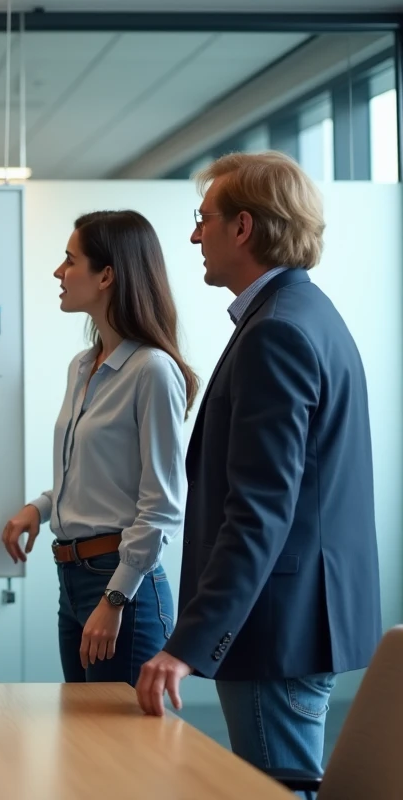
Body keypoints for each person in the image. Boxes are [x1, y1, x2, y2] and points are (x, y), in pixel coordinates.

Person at [137, 152, 382, 782]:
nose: (194, 235)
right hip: (292, 616)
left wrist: (186, 645)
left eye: (204, 218)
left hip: (273, 626)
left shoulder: (277, 331)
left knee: (272, 788)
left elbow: (259, 513)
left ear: (243, 228)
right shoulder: (304, 314)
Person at [3, 210, 197, 687]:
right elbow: (91, 474)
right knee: (82, 743)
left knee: (123, 753)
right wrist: (41, 506)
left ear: (107, 275)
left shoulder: (151, 370)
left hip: (120, 583)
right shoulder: (84, 365)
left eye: (70, 261)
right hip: (72, 579)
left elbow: (162, 506)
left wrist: (115, 599)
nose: (58, 273)